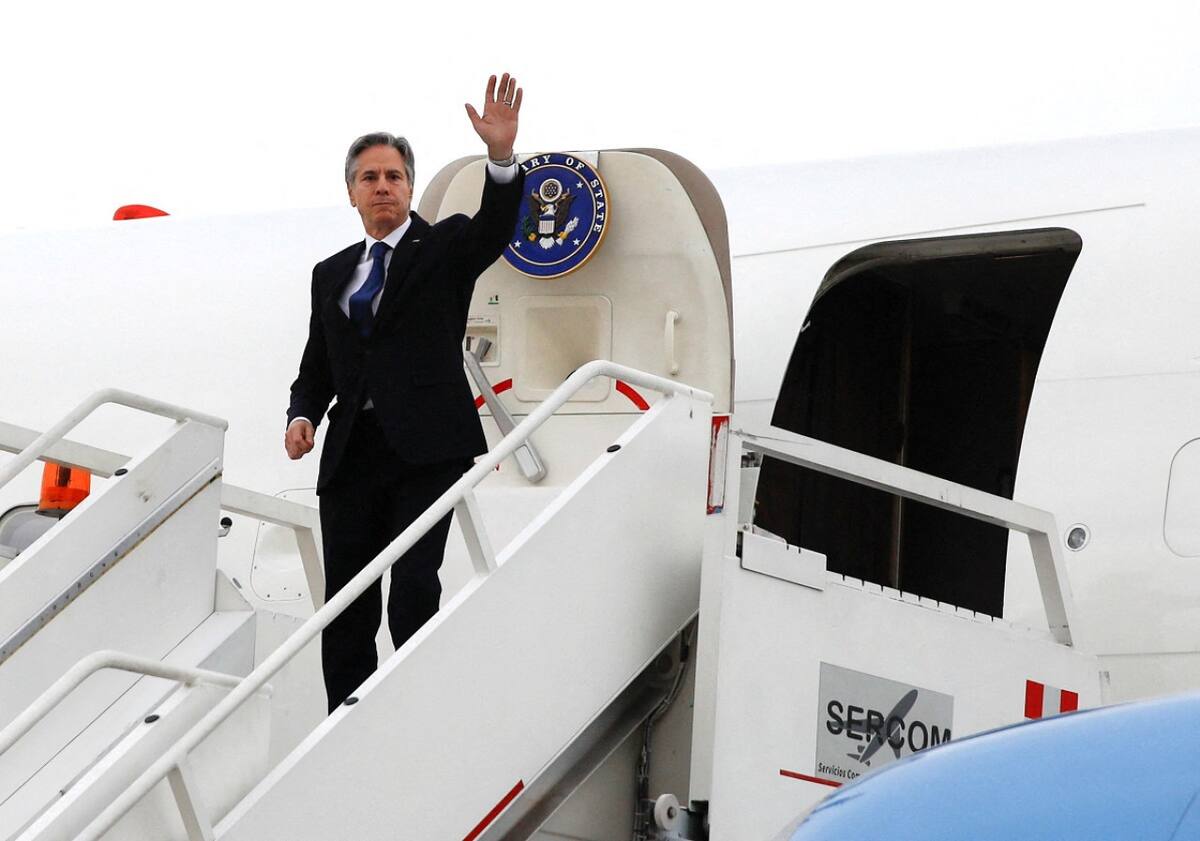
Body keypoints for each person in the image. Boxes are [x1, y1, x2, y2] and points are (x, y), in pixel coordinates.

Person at [284, 73, 525, 712]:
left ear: (410, 187)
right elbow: (318, 366)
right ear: (351, 193)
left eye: (393, 176)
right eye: (370, 177)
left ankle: (415, 711)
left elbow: (496, 226)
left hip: (425, 450)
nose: (383, 186)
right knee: (346, 602)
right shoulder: (331, 273)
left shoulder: (441, 248)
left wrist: (501, 158)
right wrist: (303, 413)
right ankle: (347, 722)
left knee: (415, 587)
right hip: (353, 455)